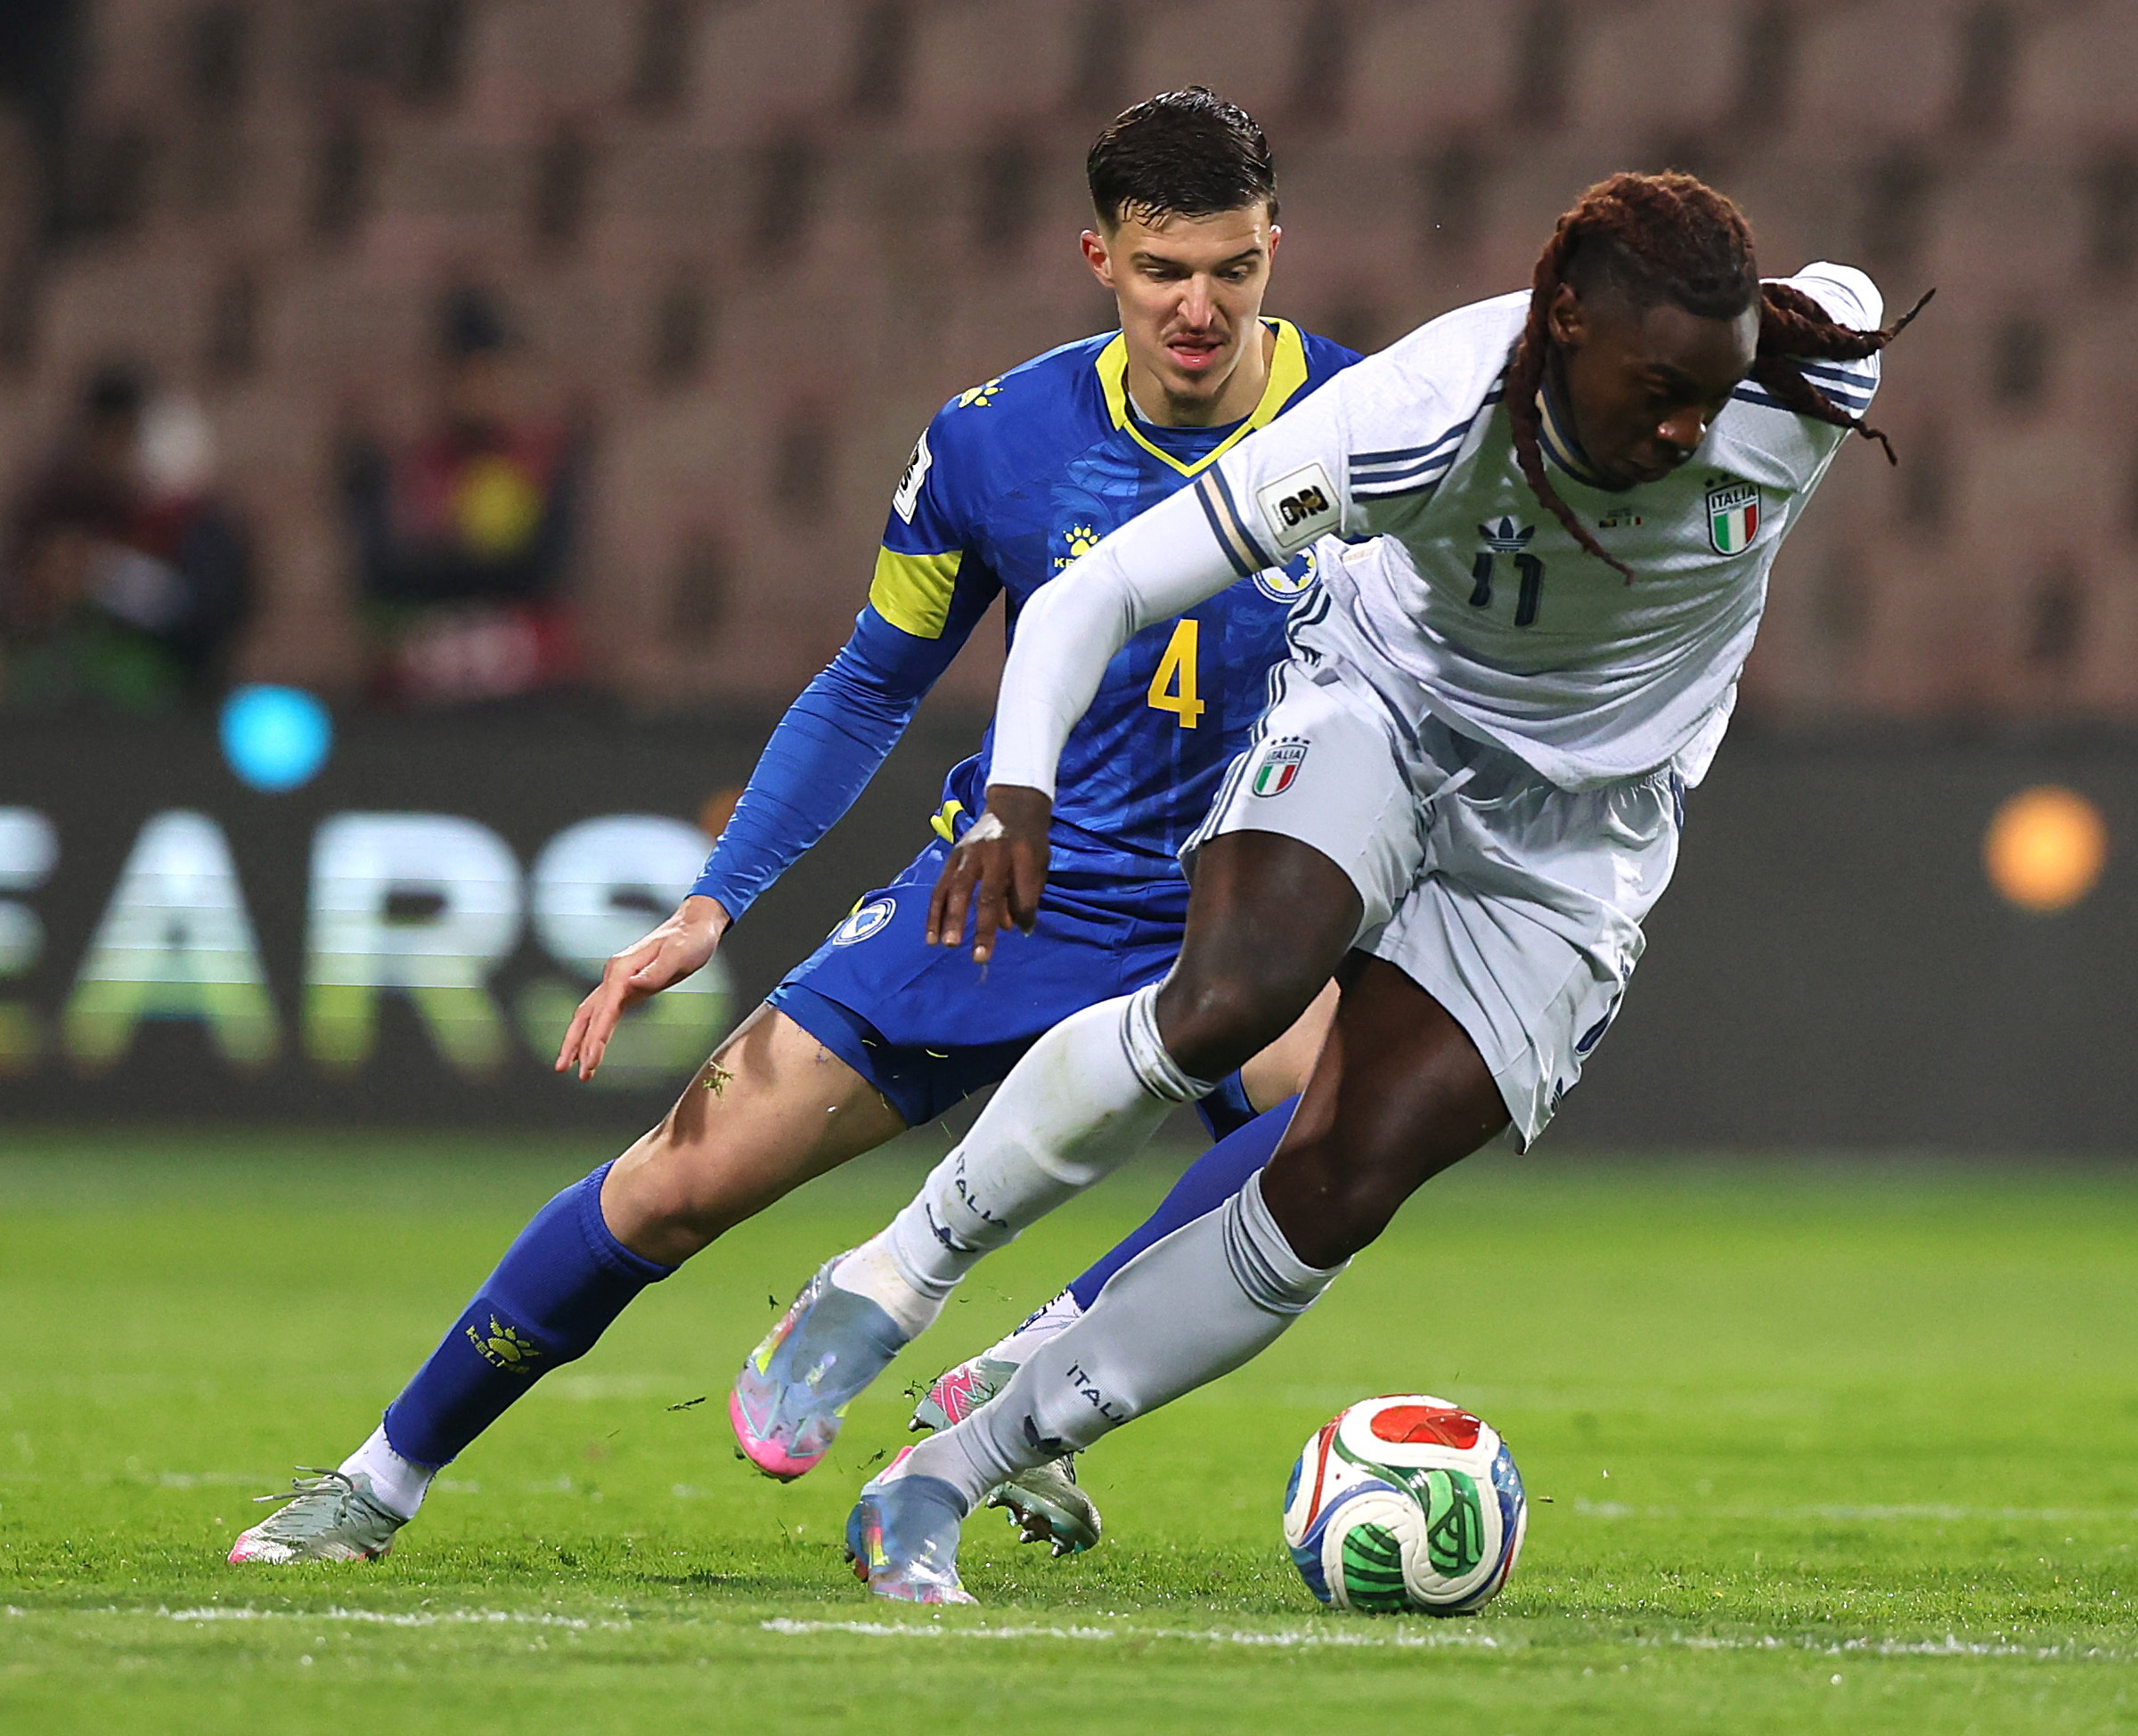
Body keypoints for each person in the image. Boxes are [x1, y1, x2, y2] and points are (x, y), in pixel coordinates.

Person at [228, 88, 1359, 1567]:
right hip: (1014, 894)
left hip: (1236, 908)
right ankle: (376, 1479)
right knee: (674, 1180)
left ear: (1275, 247)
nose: (1198, 306)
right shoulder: (992, 444)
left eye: (1231, 267)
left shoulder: (1372, 428)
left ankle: (1024, 1376)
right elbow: (868, 680)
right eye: (1163, 271)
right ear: (1097, 259)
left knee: (1344, 1112)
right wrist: (714, 900)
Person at [804, 171, 1918, 1604]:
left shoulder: (1793, 391)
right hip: (1385, 712)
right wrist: (1016, 784)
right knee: (1225, 1002)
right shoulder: (1425, 408)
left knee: (1335, 1181)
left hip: (1579, 839)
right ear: (1558, 323)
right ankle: (897, 1272)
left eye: (1707, 396)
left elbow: (1850, 304)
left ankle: (949, 1468)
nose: (1683, 430)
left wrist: (1757, 341)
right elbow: (1098, 591)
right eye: (1654, 390)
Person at [340, 285, 585, 705]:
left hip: (526, 694)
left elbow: (545, 569)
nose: (486, 386)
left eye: (497, 370)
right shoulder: (417, 468)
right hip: (428, 684)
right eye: (473, 371)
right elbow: (384, 574)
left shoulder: (541, 464)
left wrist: (445, 563)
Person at [2, 364, 253, 712]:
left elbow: (204, 624)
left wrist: (101, 574)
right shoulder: (57, 509)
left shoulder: (198, 529)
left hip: (158, 712)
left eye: (122, 437)